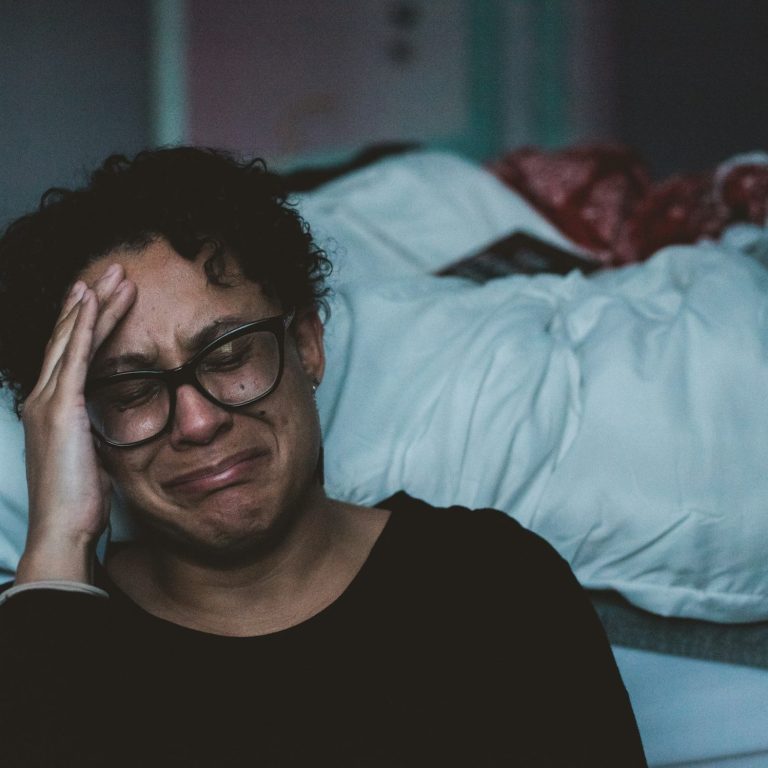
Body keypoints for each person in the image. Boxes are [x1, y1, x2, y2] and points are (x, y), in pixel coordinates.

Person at [0, 147, 647, 767]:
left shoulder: (492, 586)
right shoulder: (48, 642)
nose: (197, 422)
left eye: (230, 357)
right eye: (132, 390)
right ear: (80, 424)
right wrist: (58, 539)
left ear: (307, 345)